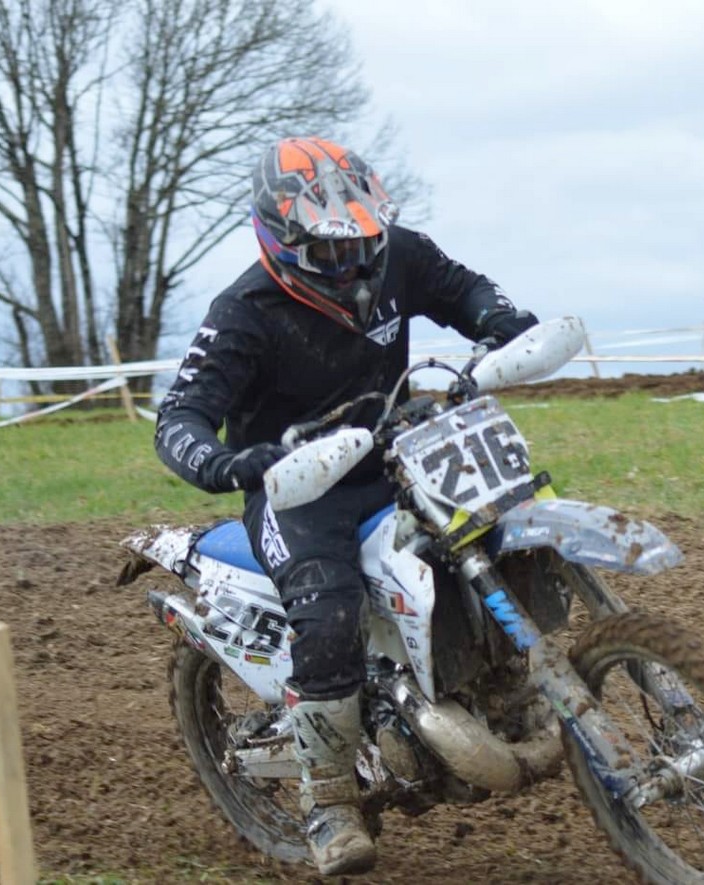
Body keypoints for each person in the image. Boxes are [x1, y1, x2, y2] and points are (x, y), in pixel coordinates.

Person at [153, 137, 538, 876]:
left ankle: (507, 681)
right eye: (333, 251)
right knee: (328, 608)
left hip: (396, 451)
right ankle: (328, 799)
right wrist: (229, 462)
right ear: (282, 240)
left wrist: (498, 318)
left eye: (363, 243)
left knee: (496, 525)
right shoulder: (243, 313)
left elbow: (463, 289)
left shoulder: (398, 254)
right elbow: (179, 419)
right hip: (296, 488)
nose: (354, 264)